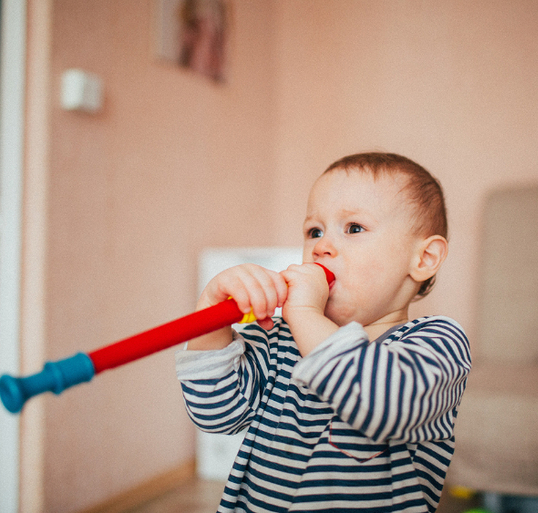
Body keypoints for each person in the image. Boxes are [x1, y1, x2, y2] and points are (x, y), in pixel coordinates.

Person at [176, 152, 471, 512]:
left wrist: (302, 312)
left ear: (423, 259)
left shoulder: (437, 343)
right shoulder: (282, 340)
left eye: (354, 228)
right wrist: (212, 311)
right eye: (314, 231)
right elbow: (215, 412)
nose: (320, 247)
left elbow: (382, 404)